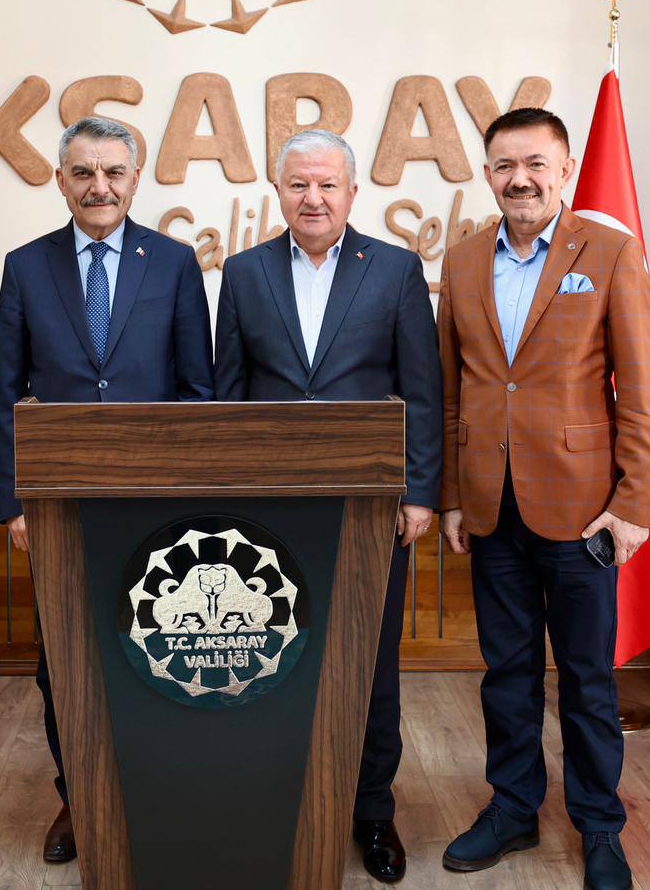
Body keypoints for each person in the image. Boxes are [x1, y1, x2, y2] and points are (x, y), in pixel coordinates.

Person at [435, 107, 650, 890]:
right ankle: (513, 810)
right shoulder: (462, 261)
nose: (520, 179)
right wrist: (453, 495)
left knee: (588, 679)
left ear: (564, 171)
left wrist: (633, 505)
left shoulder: (609, 252)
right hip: (490, 509)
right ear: (487, 174)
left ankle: (599, 824)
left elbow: (641, 390)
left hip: (584, 510)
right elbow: (454, 392)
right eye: (505, 165)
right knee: (508, 672)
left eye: (536, 164)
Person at [213, 128, 441, 885]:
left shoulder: (397, 270)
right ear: (279, 192)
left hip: (370, 510)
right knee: (271, 659)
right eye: (299, 185)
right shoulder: (243, 273)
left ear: (351, 192)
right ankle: (276, 800)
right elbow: (227, 395)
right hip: (267, 511)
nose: (313, 198)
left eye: (327, 185)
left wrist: (418, 492)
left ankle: (371, 810)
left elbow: (422, 391)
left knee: (370, 664)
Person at [0, 116, 214, 865]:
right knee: (65, 661)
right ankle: (77, 797)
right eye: (84, 172)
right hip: (58, 507)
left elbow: (197, 391)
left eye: (114, 172)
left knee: (155, 651)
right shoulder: (26, 266)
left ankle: (156, 793)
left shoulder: (174, 263)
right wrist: (16, 502)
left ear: (135, 180)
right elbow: (4, 393)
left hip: (158, 505)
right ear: (61, 180)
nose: (99, 186)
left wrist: (191, 499)